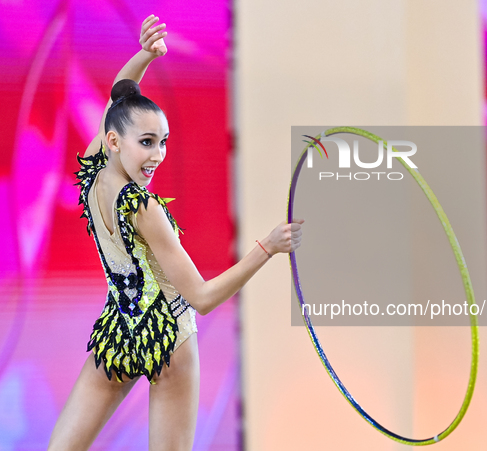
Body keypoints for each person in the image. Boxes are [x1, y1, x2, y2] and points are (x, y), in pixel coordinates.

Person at [48, 15, 303, 450]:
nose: (159, 156)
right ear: (113, 141)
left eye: (163, 142)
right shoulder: (144, 208)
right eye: (147, 142)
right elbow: (202, 299)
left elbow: (118, 98)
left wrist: (145, 56)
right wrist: (268, 246)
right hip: (161, 336)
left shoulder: (93, 171)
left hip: (130, 333)